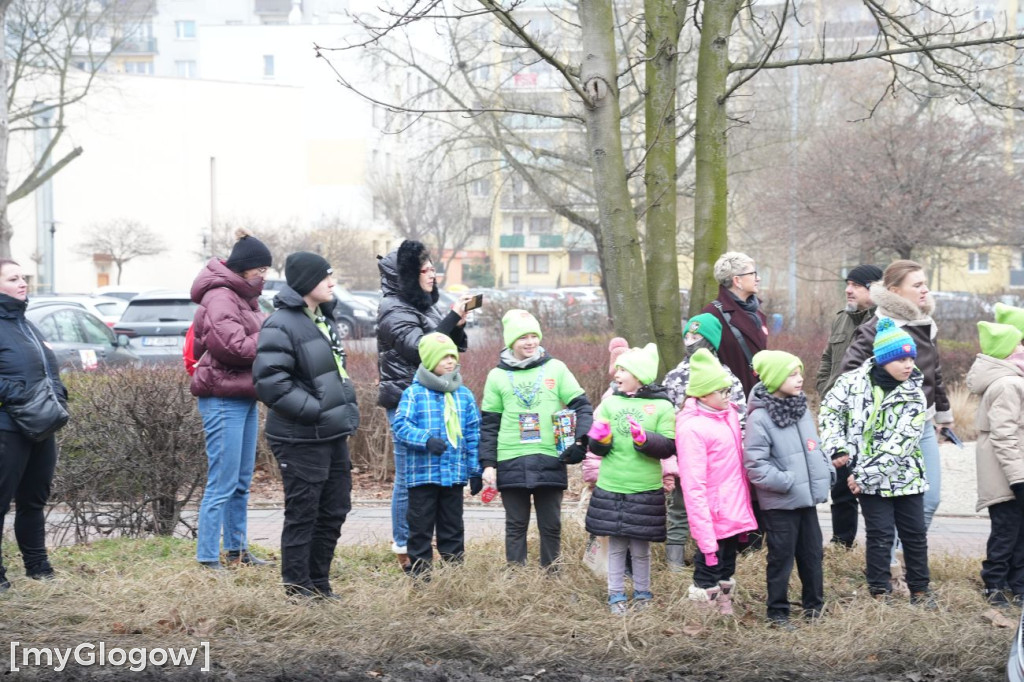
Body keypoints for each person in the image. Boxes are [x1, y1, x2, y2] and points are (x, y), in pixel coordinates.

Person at [253, 252, 360, 599]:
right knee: (304, 513)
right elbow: (271, 382)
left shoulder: (322, 319)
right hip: (300, 436)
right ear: (305, 283)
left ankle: (319, 584)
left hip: (331, 433)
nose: (332, 283)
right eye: (325, 277)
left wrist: (340, 410)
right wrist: (316, 410)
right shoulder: (281, 323)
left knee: (334, 510)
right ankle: (298, 589)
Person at [821, 318, 933, 604]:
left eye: (911, 357)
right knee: (879, 534)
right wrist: (837, 447)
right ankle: (879, 591)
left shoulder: (914, 395)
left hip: (904, 477)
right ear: (883, 360)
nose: (909, 364)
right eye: (901, 359)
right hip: (866, 480)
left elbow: (902, 443)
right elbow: (830, 412)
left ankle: (920, 589)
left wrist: (863, 476)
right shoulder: (851, 383)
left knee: (914, 534)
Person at [377, 240, 471, 570]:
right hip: (408, 398)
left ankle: (432, 543)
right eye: (426, 269)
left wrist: (457, 325)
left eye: (433, 267)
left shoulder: (424, 305)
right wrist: (449, 320)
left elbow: (445, 348)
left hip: (438, 399)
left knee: (433, 478)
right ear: (407, 275)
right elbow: (420, 350)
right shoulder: (393, 308)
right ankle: (404, 547)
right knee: (408, 479)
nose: (433, 273)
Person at [840, 260, 952, 532]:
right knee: (888, 502)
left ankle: (907, 557)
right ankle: (887, 566)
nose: (925, 290)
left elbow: (933, 371)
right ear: (895, 291)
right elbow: (850, 373)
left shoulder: (926, 322)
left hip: (923, 424)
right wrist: (884, 403)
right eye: (917, 285)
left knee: (930, 499)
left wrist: (944, 415)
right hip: (886, 427)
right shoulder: (877, 327)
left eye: (924, 283)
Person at [479, 309, 593, 569]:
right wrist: (488, 463)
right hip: (511, 457)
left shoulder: (556, 368)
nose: (530, 342)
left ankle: (552, 574)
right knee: (516, 524)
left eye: (534, 336)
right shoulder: (496, 376)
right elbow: (489, 424)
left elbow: (582, 406)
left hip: (549, 456)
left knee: (551, 524)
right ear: (511, 341)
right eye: (523, 337)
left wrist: (580, 441)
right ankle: (517, 578)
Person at [190, 229, 274, 570]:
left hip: (242, 394)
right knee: (223, 481)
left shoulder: (243, 296)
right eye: (262, 269)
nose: (265, 275)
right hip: (222, 396)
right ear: (245, 268)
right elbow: (234, 347)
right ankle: (208, 557)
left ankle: (237, 551)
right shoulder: (222, 296)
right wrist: (272, 341)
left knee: (240, 481)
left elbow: (249, 334)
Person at [744, 351, 833, 626]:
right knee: (781, 558)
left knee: (812, 554)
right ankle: (777, 612)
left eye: (800, 373)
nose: (799, 379)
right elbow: (755, 465)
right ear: (774, 378)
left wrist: (826, 468)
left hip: (806, 500)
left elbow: (813, 445)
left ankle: (814, 607)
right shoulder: (759, 418)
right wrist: (786, 481)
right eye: (792, 374)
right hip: (781, 502)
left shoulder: (801, 408)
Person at [584, 343, 676, 613]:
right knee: (615, 545)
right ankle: (615, 595)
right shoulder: (610, 403)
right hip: (612, 484)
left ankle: (643, 592)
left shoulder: (662, 407)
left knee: (640, 547)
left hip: (644, 487)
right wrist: (599, 439)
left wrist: (646, 440)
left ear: (640, 374)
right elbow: (598, 448)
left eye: (623, 369)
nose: (617, 373)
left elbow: (669, 446)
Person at [0, 259, 68, 591]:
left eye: (23, 277)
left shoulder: (26, 323)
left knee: (34, 500)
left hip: (41, 426)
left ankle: (38, 567)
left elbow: (47, 370)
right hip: (7, 427)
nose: (23, 282)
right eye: (14, 278)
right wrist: (20, 398)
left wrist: (58, 395)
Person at [390, 333, 482, 578]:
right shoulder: (414, 393)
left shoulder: (464, 395)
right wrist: (426, 440)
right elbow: (400, 426)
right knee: (420, 529)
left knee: (452, 528)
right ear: (430, 361)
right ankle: (421, 577)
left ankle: (453, 577)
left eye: (453, 356)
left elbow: (473, 433)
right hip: (423, 476)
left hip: (453, 475)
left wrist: (475, 471)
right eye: (443, 357)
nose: (450, 361)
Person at [660, 313, 747, 570]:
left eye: (697, 336)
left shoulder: (727, 379)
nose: (690, 341)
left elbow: (739, 421)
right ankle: (674, 564)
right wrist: (671, 455)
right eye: (687, 335)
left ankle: (715, 562)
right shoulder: (675, 376)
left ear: (711, 342)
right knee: (678, 507)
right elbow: (666, 419)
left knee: (718, 511)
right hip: (686, 455)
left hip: (722, 461)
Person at [676, 349, 758, 615]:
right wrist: (703, 531)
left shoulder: (729, 415)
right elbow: (694, 484)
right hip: (712, 513)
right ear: (702, 394)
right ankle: (701, 614)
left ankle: (724, 606)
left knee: (727, 565)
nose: (728, 396)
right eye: (722, 391)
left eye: (728, 390)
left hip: (732, 507)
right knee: (708, 566)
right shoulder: (692, 428)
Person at [815, 264, 882, 548]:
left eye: (856, 284)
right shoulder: (842, 318)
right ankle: (842, 544)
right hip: (839, 418)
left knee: (872, 485)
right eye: (848, 283)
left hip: (870, 419)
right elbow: (827, 360)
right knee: (840, 485)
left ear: (875, 289)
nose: (848, 289)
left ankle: (881, 549)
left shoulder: (886, 322)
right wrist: (825, 391)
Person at [966, 320, 1024, 607]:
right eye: (1018, 344)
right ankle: (994, 585)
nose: (1023, 348)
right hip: (1007, 476)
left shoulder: (1012, 380)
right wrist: (1019, 479)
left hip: (1013, 471)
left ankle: (1017, 583)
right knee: (1006, 531)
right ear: (1007, 352)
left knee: (1018, 531)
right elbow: (1004, 435)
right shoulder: (1008, 385)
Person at [701, 251, 768, 398]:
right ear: (737, 281)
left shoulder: (757, 313)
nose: (758, 278)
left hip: (759, 400)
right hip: (730, 403)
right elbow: (702, 366)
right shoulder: (711, 315)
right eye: (753, 274)